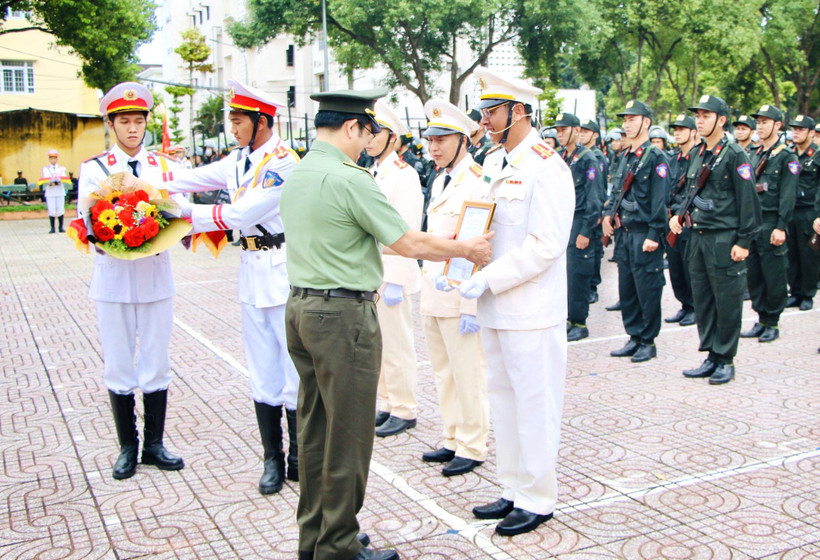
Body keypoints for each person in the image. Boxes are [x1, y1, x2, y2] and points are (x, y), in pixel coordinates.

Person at [280, 88, 493, 560]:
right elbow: (406, 241)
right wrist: (467, 249)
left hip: (300, 310)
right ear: (354, 127)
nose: (367, 143)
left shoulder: (299, 173)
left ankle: (315, 536)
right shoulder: (349, 178)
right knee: (349, 437)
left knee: (314, 432)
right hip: (341, 318)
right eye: (366, 133)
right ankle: (338, 545)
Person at [165, 80, 301, 495]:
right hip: (250, 272)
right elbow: (190, 178)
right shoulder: (238, 159)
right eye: (232, 121)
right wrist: (150, 185)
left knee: (293, 372)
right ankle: (272, 458)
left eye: (239, 121)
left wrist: (183, 212)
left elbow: (242, 213)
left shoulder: (284, 162)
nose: (233, 128)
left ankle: (299, 457)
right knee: (261, 370)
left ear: (262, 121)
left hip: (281, 271)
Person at [454, 66, 574, 536]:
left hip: (531, 310)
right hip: (496, 307)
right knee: (503, 400)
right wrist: (461, 268)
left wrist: (488, 280)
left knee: (535, 404)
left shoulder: (547, 166)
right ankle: (512, 488)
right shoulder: (498, 164)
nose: (484, 120)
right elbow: (485, 230)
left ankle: (538, 497)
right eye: (483, 112)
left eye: (492, 111)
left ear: (518, 112)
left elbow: (546, 244)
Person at [77, 82, 183, 480]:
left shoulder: (164, 167)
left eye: (139, 121)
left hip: (155, 276)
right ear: (111, 124)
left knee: (156, 361)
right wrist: (108, 238)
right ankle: (128, 447)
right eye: (125, 121)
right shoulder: (95, 168)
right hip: (113, 281)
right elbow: (87, 220)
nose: (133, 128)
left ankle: (155, 445)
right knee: (119, 364)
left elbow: (179, 212)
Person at [419, 99, 489, 476]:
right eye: (431, 140)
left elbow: (475, 244)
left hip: (460, 296)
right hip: (434, 290)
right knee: (443, 372)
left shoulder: (476, 181)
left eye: (442, 140)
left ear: (463, 140)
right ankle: (452, 437)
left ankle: (473, 444)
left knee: (468, 372)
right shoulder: (440, 178)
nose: (434, 148)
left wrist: (469, 307)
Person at [671, 95, 761, 384]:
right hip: (697, 237)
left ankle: (726, 359)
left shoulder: (735, 154)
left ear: (722, 120)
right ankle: (711, 353)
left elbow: (749, 202)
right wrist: (677, 215)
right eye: (698, 115)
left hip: (724, 239)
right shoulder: (698, 153)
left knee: (727, 300)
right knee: (705, 299)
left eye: (706, 115)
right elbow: (688, 193)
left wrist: (743, 242)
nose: (699, 120)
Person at [365, 101, 424, 438]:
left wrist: (398, 279)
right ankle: (387, 401)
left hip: (392, 275)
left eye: (378, 133)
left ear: (393, 138)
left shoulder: (404, 175)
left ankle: (405, 408)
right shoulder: (374, 172)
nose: (370, 139)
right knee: (379, 344)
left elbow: (407, 229)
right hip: (374, 272)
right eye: (369, 133)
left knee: (398, 344)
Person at [602, 100, 669, 363]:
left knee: (647, 288)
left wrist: (655, 234)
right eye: (625, 119)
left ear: (646, 122)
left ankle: (648, 341)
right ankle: (633, 335)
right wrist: (608, 216)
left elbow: (659, 200)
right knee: (627, 288)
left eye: (633, 119)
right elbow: (618, 191)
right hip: (624, 233)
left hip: (644, 233)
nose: (627, 124)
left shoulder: (656, 157)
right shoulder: (625, 156)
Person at [741, 105, 798, 343]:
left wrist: (781, 226)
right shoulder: (753, 154)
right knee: (754, 276)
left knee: (773, 276)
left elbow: (788, 194)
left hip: (772, 222)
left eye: (766, 122)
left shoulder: (787, 156)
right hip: (753, 223)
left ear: (778, 125)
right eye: (759, 122)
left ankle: (772, 321)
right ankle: (761, 316)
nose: (760, 126)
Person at [554, 112, 603, 341]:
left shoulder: (588, 159)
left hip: (580, 221)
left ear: (576, 129)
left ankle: (579, 322)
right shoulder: (562, 156)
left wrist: (586, 231)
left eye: (564, 129)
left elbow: (595, 199)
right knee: (566, 275)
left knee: (579, 275)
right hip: (564, 223)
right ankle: (569, 319)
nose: (559, 133)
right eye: (558, 130)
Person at [665, 113, 698, 326]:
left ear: (693, 132)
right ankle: (684, 304)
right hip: (672, 221)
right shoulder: (672, 159)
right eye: (675, 130)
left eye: (682, 129)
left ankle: (695, 306)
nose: (677, 133)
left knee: (689, 268)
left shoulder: (699, 157)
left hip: (689, 221)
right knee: (675, 268)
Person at [785, 115, 819, 311]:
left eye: (801, 129)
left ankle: (807, 294)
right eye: (794, 129)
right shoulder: (790, 155)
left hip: (809, 211)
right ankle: (795, 291)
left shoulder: (817, 154)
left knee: (808, 254)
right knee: (791, 254)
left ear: (811, 133)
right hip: (791, 210)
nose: (796, 132)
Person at [578, 119, 608, 304]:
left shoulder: (597, 157)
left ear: (595, 135)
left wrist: (598, 212)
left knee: (594, 251)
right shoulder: (582, 155)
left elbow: (600, 187)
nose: (582, 134)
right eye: (580, 130)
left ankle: (593, 286)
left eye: (586, 131)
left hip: (595, 208)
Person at [41, 149, 68, 233]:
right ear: (49, 159)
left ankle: (61, 227)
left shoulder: (61, 168)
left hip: (59, 190)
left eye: (54, 158)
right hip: (50, 191)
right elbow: (45, 178)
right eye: (51, 158)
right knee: (51, 209)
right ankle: (52, 227)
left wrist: (57, 180)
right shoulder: (45, 169)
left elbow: (63, 177)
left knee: (60, 209)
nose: (53, 160)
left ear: (57, 159)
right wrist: (52, 181)